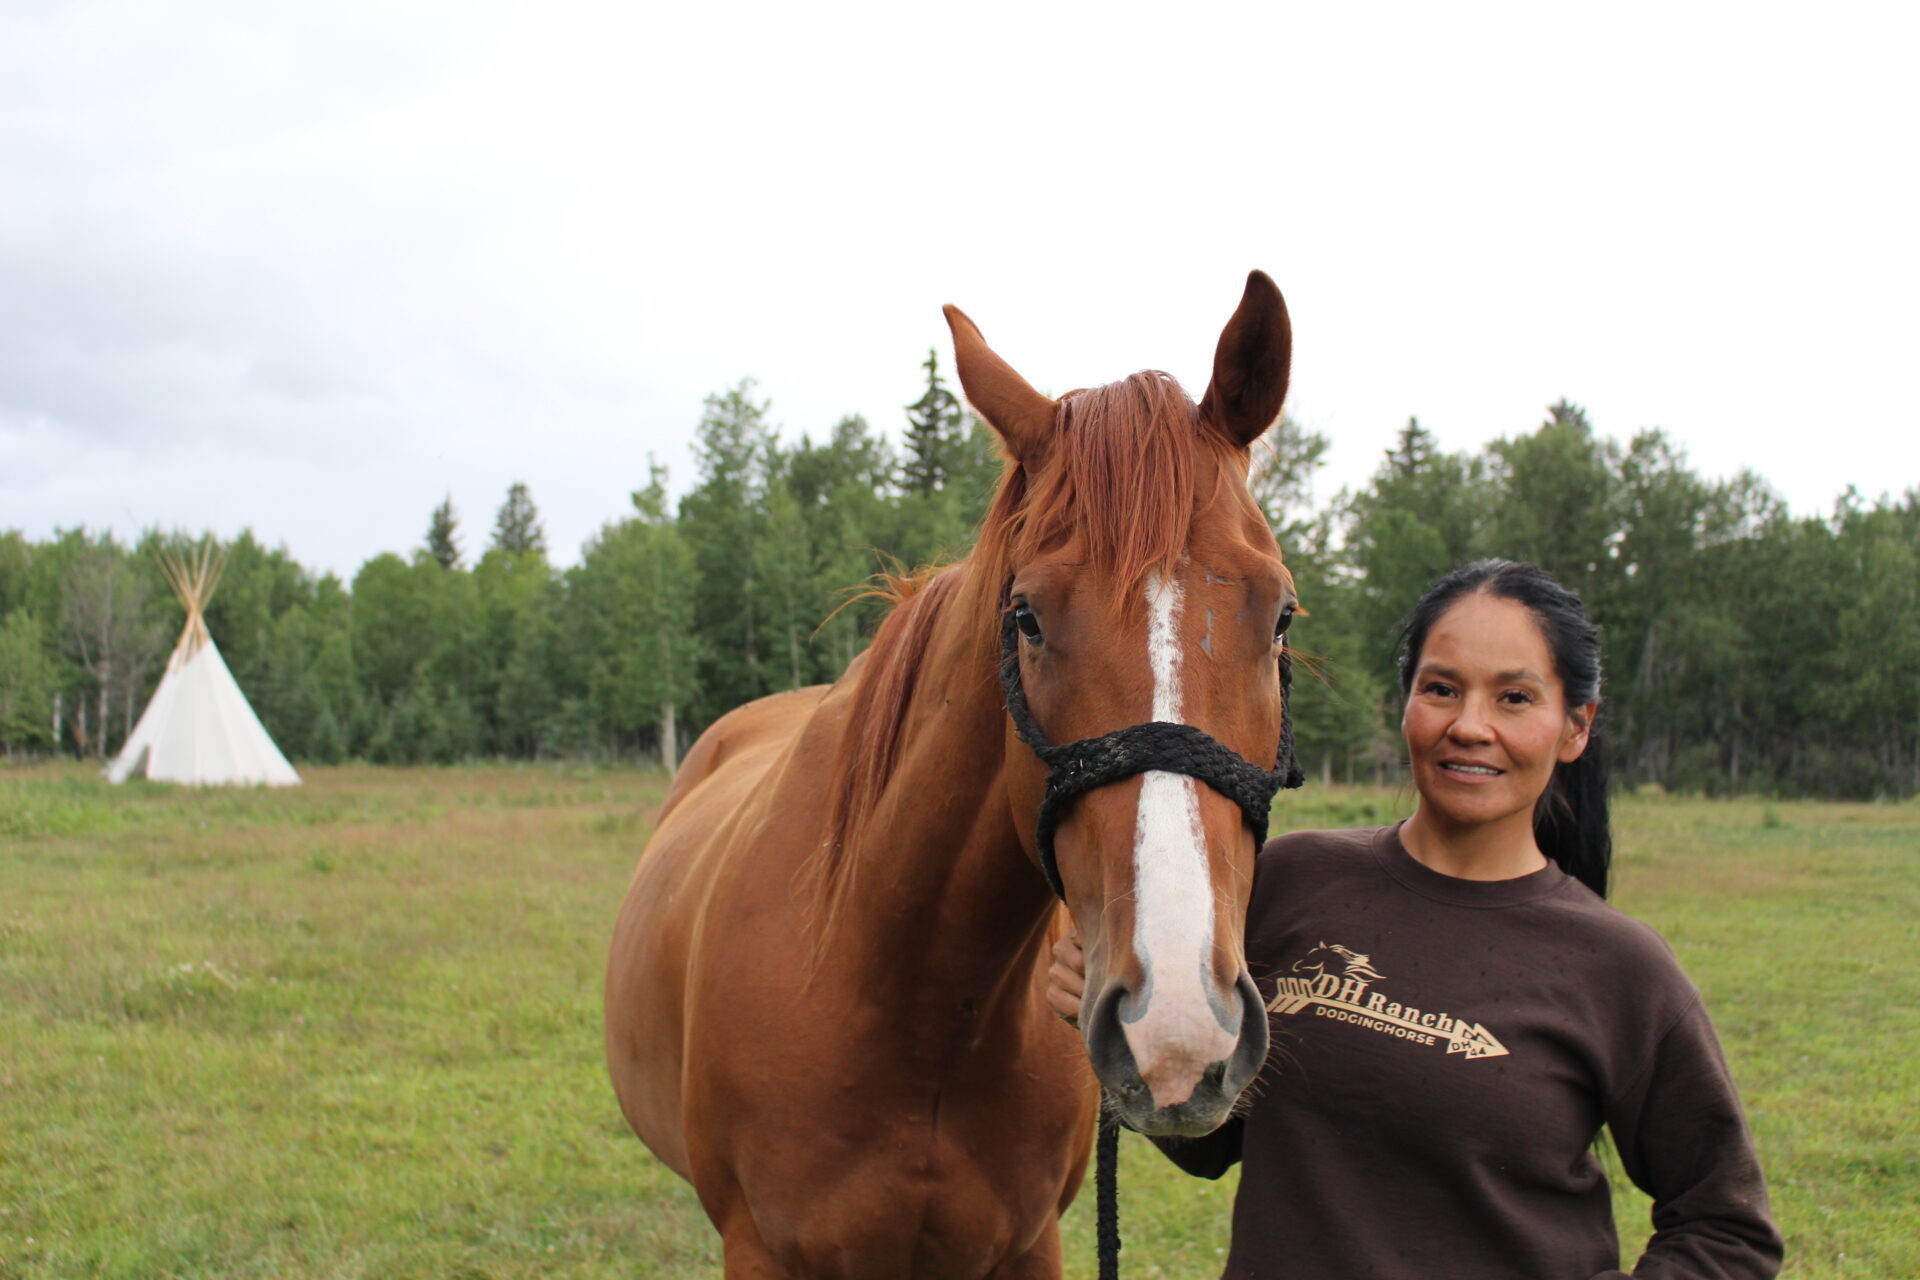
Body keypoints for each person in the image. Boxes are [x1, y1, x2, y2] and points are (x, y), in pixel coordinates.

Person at [1047, 560, 1782, 1280]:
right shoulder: (1290, 882)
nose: (1469, 726)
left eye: (1515, 698)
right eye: (1442, 689)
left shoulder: (1619, 967)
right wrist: (1134, 1046)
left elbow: (1727, 1228)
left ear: (1575, 727)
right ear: (1406, 703)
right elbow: (1220, 1141)